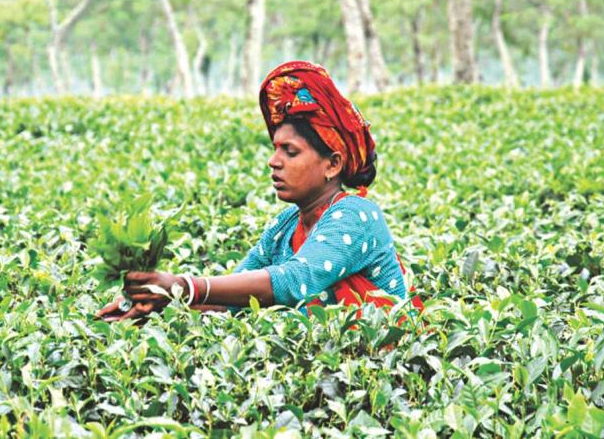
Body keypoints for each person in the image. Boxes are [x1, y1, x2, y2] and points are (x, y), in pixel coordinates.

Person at [96, 61, 423, 322]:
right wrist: (158, 302)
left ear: (332, 165)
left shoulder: (356, 215)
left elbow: (296, 280)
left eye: (290, 152)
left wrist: (182, 286)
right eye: (275, 149)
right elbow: (232, 301)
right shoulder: (284, 227)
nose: (274, 161)